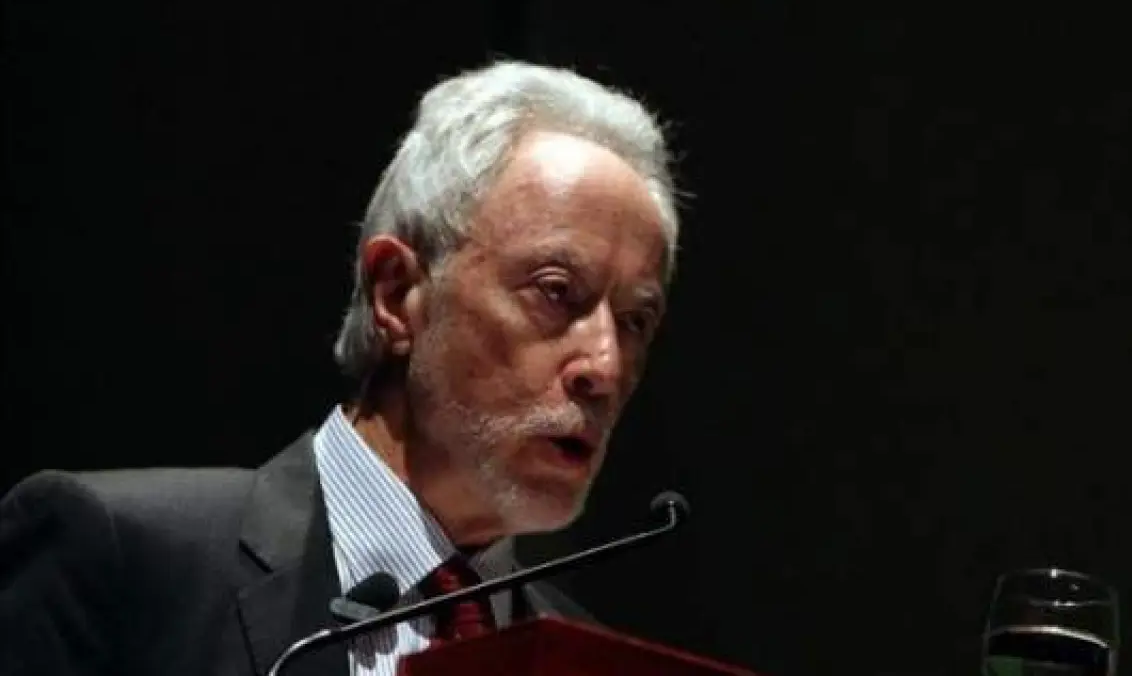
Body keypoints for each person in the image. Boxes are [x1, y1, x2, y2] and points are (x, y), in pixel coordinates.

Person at [0, 61, 681, 676]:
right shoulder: (124, 560)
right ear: (397, 292)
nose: (605, 365)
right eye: (556, 292)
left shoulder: (590, 663)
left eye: (634, 321)